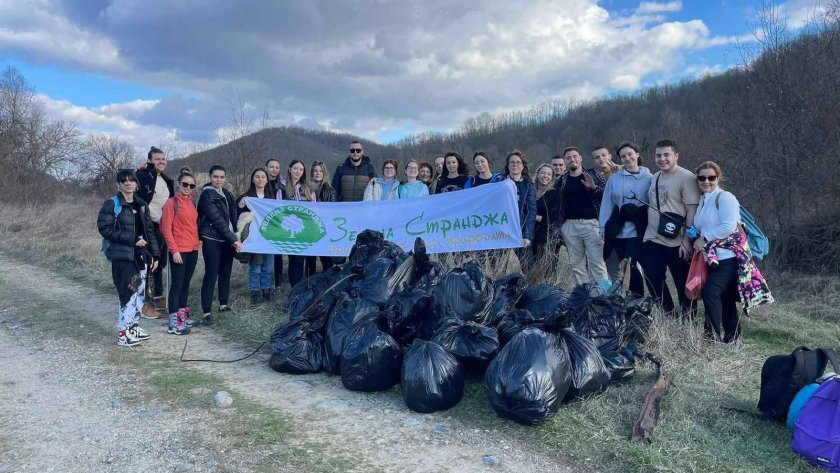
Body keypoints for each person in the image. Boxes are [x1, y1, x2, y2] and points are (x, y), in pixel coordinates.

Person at [692, 161, 773, 342]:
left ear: (718, 178)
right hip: (711, 258)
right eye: (702, 178)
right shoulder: (703, 200)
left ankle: (711, 337)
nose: (706, 181)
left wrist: (704, 238)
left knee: (711, 292)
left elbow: (728, 227)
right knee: (726, 298)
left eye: (711, 177)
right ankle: (733, 338)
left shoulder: (725, 197)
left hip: (729, 258)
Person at [97, 169, 160, 347]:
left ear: (136, 184)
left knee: (139, 293)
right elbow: (105, 229)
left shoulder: (141, 205)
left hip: (141, 257)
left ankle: (133, 327)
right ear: (118, 184)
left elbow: (150, 232)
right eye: (123, 181)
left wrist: (155, 255)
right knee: (127, 294)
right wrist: (132, 240)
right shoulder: (112, 204)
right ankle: (123, 334)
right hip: (123, 257)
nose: (128, 183)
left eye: (131, 180)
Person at [640, 139, 700, 318]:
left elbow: (692, 211)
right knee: (652, 278)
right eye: (658, 155)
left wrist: (686, 241)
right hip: (653, 237)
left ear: (676, 156)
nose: (662, 159)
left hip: (678, 241)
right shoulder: (656, 176)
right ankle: (668, 314)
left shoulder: (687, 177)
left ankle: (687, 320)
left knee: (682, 282)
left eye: (666, 155)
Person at [598, 141, 652, 296]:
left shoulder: (649, 177)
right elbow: (607, 203)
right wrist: (603, 227)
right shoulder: (614, 178)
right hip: (619, 230)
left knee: (632, 265)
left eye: (630, 154)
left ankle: (640, 299)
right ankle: (631, 301)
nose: (627, 158)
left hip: (639, 229)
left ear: (637, 155)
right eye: (623, 156)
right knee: (624, 267)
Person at [554, 146, 610, 286]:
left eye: (574, 156)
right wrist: (562, 226)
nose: (572, 159)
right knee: (576, 265)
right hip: (570, 226)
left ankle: (604, 297)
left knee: (597, 263)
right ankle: (585, 296)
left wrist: (594, 188)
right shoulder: (562, 180)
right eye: (568, 158)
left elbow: (609, 195)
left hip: (591, 224)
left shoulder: (594, 174)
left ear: (580, 158)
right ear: (565, 162)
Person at [197, 164, 242, 326]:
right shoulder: (207, 195)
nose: (219, 180)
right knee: (211, 274)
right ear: (210, 177)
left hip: (227, 241)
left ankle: (223, 304)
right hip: (212, 239)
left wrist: (242, 203)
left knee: (225, 273)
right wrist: (233, 238)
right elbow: (217, 220)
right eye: (216, 176)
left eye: (222, 177)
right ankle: (206, 312)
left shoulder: (227, 194)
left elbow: (233, 215)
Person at [159, 168, 199, 335]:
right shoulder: (171, 203)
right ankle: (173, 322)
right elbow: (166, 229)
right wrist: (174, 250)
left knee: (185, 283)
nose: (188, 187)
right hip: (179, 250)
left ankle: (182, 315)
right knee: (177, 285)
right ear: (178, 184)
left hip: (193, 248)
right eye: (185, 184)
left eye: (191, 185)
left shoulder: (191, 202)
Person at [135, 146, 173, 318]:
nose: (161, 162)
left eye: (163, 159)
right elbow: (130, 185)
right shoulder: (143, 175)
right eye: (158, 159)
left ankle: (158, 297)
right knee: (150, 264)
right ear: (150, 160)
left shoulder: (164, 179)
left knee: (160, 263)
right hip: (147, 226)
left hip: (162, 226)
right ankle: (145, 304)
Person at [237, 168, 275, 305]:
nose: (260, 179)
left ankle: (266, 290)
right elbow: (239, 215)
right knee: (256, 266)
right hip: (254, 238)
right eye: (257, 177)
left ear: (267, 180)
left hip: (269, 238)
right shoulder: (247, 196)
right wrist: (241, 204)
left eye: (263, 177)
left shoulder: (272, 196)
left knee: (268, 267)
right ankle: (255, 292)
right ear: (253, 179)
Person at [281, 160, 315, 287]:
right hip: (289, 230)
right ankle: (294, 288)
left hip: (304, 230)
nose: (298, 171)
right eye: (295, 168)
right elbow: (277, 208)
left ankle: (302, 288)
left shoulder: (308, 188)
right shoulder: (282, 188)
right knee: (293, 260)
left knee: (302, 260)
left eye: (301, 169)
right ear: (290, 169)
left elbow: (314, 209)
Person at [305, 161, 337, 277]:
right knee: (310, 260)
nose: (318, 173)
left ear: (324, 173)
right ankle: (308, 284)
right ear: (312, 173)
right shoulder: (306, 189)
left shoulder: (330, 190)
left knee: (326, 259)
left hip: (324, 230)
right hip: (309, 229)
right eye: (315, 171)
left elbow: (332, 212)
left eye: (320, 171)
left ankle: (328, 283)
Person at [503, 151, 536, 250]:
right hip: (503, 232)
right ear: (508, 166)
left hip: (521, 231)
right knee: (499, 264)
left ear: (522, 166)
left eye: (518, 162)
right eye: (512, 162)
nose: (515, 164)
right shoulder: (500, 182)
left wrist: (527, 235)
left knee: (527, 264)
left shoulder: (529, 185)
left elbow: (531, 211)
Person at [533, 163, 562, 262]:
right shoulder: (530, 191)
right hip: (530, 233)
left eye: (549, 174)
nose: (545, 176)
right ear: (537, 174)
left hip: (546, 235)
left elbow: (552, 218)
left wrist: (532, 216)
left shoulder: (553, 194)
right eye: (543, 173)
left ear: (552, 178)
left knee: (547, 264)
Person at [265, 158, 286, 291]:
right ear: (266, 167)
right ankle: (264, 283)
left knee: (278, 255)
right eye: (271, 167)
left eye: (277, 167)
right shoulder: (261, 182)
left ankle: (278, 283)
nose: (274, 170)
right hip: (265, 223)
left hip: (278, 224)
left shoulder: (283, 186)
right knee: (265, 255)